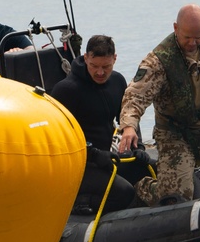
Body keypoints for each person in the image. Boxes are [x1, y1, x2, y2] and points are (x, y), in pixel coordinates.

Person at [117, 4, 200, 205]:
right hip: (175, 134)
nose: (192, 43)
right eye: (187, 37)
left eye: (197, 37)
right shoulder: (160, 60)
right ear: (176, 28)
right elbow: (136, 94)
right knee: (176, 197)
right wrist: (129, 126)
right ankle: (146, 187)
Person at [49, 35, 137, 214]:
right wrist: (94, 154)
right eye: (94, 66)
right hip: (78, 164)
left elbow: (126, 119)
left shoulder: (117, 81)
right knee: (124, 193)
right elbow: (58, 139)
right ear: (86, 57)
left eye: (106, 67)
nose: (100, 73)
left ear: (115, 59)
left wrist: (137, 146)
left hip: (105, 159)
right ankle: (79, 203)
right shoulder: (66, 90)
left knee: (146, 169)